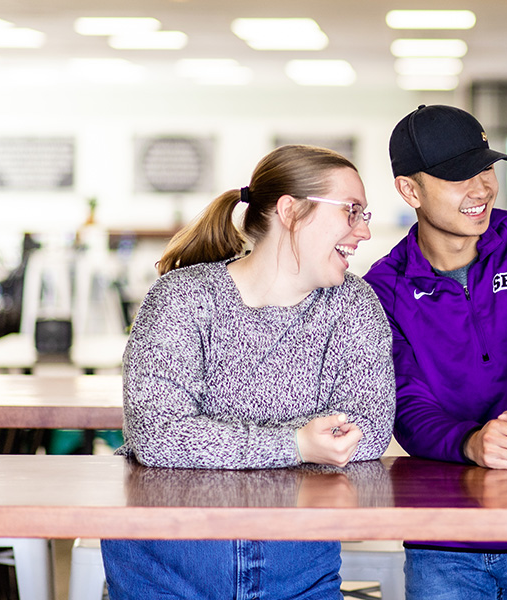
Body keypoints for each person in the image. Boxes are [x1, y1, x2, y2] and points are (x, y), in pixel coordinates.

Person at [101, 144, 397, 600]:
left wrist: (209, 439)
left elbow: (369, 431)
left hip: (298, 564)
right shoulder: (182, 298)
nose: (364, 231)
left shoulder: (354, 305)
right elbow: (158, 435)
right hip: (167, 563)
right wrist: (297, 444)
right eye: (351, 211)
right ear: (290, 211)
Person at [364, 104, 507, 600]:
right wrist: (470, 442)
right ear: (410, 191)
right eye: (458, 176)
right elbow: (406, 402)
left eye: (486, 167)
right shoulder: (382, 290)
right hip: (443, 539)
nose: (482, 188)